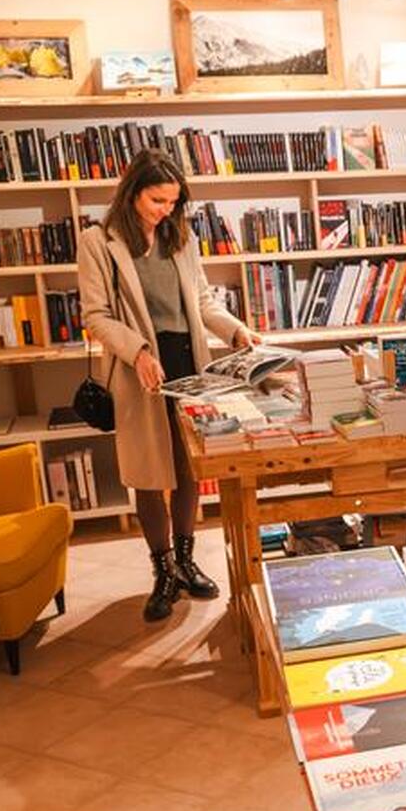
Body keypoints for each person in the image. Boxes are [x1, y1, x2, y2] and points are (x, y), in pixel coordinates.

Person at [78, 148, 259, 621]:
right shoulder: (98, 241)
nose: (166, 210)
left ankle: (185, 562)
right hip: (139, 366)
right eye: (158, 200)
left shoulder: (181, 234)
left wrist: (235, 331)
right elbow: (95, 315)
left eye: (174, 202)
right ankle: (162, 572)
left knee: (186, 468)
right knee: (147, 473)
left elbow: (201, 301)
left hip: (186, 363)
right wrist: (136, 351)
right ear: (134, 192)